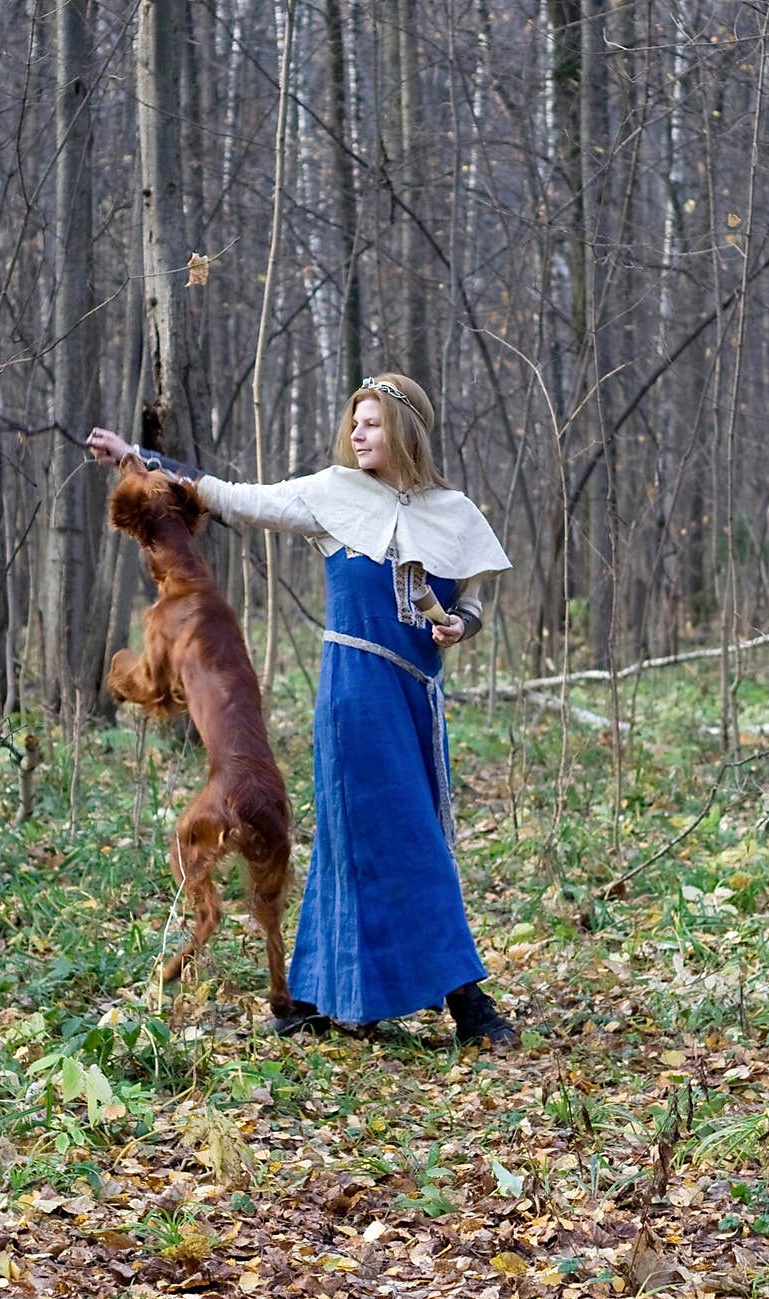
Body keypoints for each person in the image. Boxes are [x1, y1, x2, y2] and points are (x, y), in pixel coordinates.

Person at [87, 372, 516, 1049]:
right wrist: (137, 461)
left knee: (371, 843)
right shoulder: (331, 497)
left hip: (414, 700)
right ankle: (468, 1003)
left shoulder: (452, 511)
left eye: (370, 422)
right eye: (354, 423)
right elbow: (228, 497)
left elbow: (470, 600)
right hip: (353, 698)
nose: (357, 433)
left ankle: (316, 995)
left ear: (404, 429)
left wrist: (459, 625)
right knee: (400, 840)